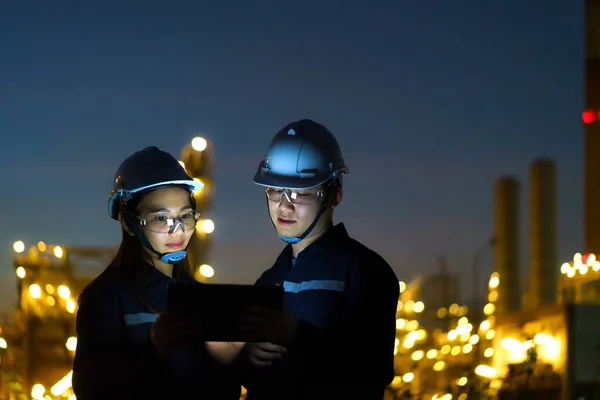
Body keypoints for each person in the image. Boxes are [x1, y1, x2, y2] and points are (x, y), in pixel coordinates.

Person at [239, 119, 400, 399]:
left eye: (300, 193)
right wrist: (246, 355)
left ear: (334, 196)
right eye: (275, 190)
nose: (284, 205)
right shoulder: (269, 281)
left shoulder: (364, 271)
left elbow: (372, 372)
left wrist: (296, 336)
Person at [72, 146, 242, 400]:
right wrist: (154, 350)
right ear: (128, 222)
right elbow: (90, 389)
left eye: (185, 215)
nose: (178, 230)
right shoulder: (105, 298)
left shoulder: (199, 297)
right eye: (161, 218)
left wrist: (230, 361)